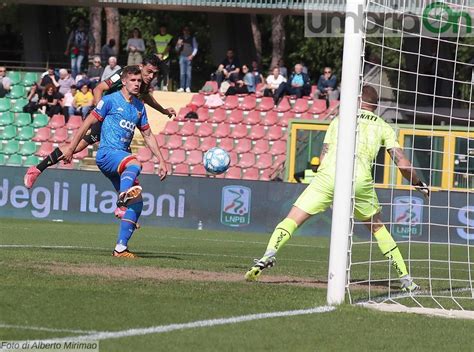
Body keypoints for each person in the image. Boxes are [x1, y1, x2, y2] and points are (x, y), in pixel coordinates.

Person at [244, 85, 429, 293]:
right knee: (378, 228)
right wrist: (418, 183)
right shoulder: (383, 126)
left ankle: (268, 254)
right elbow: (402, 163)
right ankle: (406, 280)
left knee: (292, 218)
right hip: (358, 179)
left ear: (359, 100)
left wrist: (330, 189)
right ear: (375, 106)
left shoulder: (340, 119)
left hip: (329, 175)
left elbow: (323, 156)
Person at [24, 55, 176, 189]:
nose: (151, 76)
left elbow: (146, 97)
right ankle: (124, 201)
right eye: (149, 71)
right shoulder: (126, 74)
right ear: (141, 67)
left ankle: (37, 169)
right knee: (85, 149)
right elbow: (99, 88)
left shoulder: (142, 83)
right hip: (108, 114)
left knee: (78, 147)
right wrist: (101, 112)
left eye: (154, 73)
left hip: (116, 119)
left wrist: (162, 110)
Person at [62, 65, 168, 258]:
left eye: (138, 81)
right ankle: (121, 199)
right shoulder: (109, 100)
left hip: (120, 159)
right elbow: (87, 124)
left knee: (136, 204)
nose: (137, 84)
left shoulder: (139, 107)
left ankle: (120, 248)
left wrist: (162, 160)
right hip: (107, 154)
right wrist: (71, 148)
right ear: (124, 81)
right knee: (135, 163)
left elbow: (148, 135)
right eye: (133, 80)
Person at [175, 26, 198, 93]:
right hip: (182, 56)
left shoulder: (192, 38)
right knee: (182, 73)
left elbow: (195, 48)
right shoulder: (180, 38)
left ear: (189, 32)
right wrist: (179, 44)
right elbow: (176, 49)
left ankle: (187, 87)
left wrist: (192, 55)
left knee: (188, 73)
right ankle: (182, 87)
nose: (186, 32)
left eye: (187, 30)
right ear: (183, 31)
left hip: (189, 57)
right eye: (185, 30)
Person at [153, 24, 173, 91]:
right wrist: (158, 54)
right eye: (162, 28)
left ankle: (165, 86)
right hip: (157, 57)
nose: (163, 29)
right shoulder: (156, 37)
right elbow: (154, 47)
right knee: (157, 72)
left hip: (165, 57)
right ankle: (156, 86)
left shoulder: (169, 37)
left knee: (165, 72)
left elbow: (168, 47)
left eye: (164, 28)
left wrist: (162, 54)